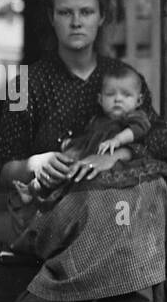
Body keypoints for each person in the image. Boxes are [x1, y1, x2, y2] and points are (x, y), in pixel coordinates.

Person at [0, 0, 167, 302]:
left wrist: (117, 154)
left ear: (102, 18)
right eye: (65, 12)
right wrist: (35, 163)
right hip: (57, 203)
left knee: (154, 192)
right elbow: (6, 168)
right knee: (135, 208)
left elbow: (161, 136)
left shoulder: (118, 78)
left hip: (115, 199)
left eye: (86, 11)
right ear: (51, 17)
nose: (76, 21)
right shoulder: (27, 83)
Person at [9, 61, 151, 216]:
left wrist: (117, 140)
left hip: (107, 166)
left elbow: (139, 129)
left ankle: (39, 195)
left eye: (126, 95)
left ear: (139, 100)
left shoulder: (134, 117)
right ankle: (32, 189)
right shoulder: (98, 120)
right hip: (83, 157)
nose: (118, 99)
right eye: (111, 94)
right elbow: (87, 138)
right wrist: (72, 143)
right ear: (100, 99)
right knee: (61, 168)